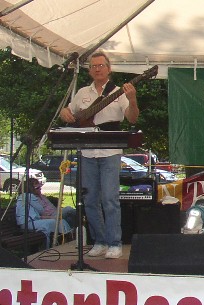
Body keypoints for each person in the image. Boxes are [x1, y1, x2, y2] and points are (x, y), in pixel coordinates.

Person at [59, 51, 139, 259]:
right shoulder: (82, 93)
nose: (97, 69)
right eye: (93, 66)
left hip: (110, 152)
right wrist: (65, 113)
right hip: (86, 152)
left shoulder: (118, 92)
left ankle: (115, 242)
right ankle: (100, 241)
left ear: (109, 68)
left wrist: (132, 100)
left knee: (110, 199)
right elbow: (68, 112)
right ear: (89, 70)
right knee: (90, 199)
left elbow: (131, 118)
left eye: (101, 65)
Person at [15, 178, 76, 246]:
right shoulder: (29, 196)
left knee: (60, 221)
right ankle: (67, 240)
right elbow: (41, 210)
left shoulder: (25, 196)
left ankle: (66, 240)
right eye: (37, 187)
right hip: (28, 223)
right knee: (55, 221)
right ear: (31, 188)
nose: (40, 188)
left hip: (31, 221)